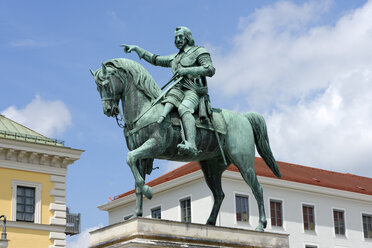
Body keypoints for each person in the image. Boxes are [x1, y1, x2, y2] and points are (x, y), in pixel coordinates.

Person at [122, 26, 215, 156]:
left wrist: (187, 70)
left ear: (187, 37)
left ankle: (192, 144)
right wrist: (138, 49)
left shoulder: (199, 51)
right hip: (177, 91)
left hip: (193, 91)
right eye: (175, 38)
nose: (177, 40)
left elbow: (210, 70)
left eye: (180, 37)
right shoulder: (174, 58)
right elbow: (155, 59)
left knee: (184, 108)